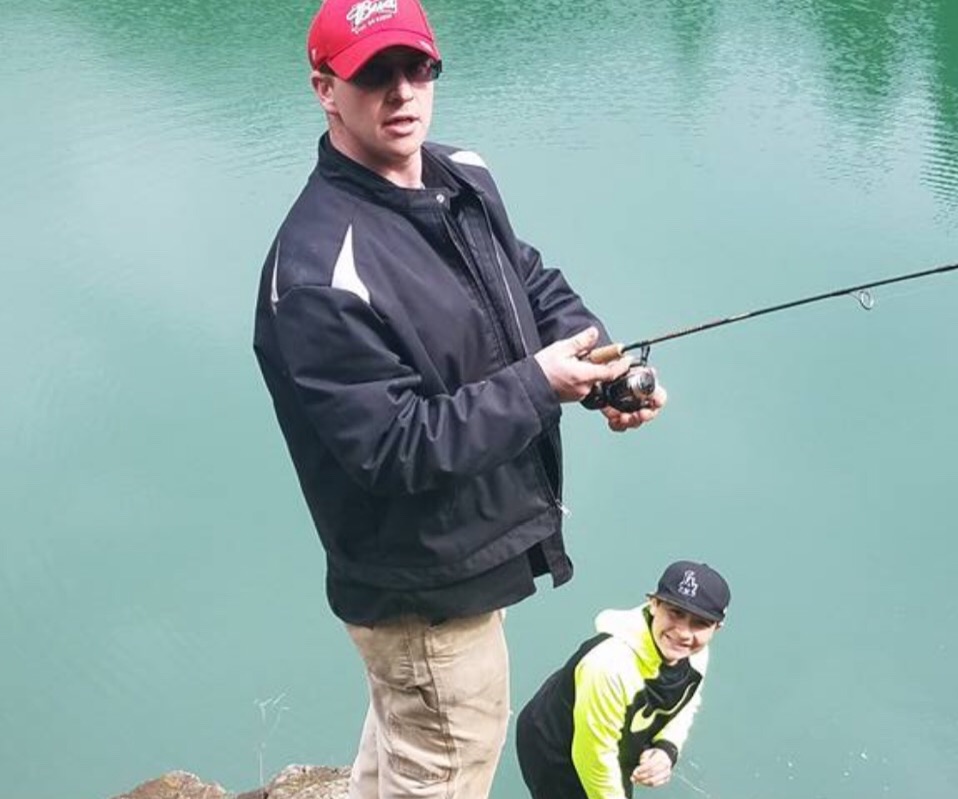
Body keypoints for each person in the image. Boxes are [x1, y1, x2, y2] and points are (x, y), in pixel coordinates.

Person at [251, 0, 668, 796]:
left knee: (405, 753)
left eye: (418, 68)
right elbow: (395, 446)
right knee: (443, 767)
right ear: (325, 88)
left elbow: (526, 280)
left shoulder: (460, 174)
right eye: (374, 74)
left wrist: (602, 368)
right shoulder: (317, 270)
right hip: (421, 592)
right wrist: (540, 383)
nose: (402, 91)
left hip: (462, 555)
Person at [515, 561, 730, 799]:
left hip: (612, 738)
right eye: (675, 613)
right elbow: (595, 758)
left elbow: (686, 700)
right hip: (556, 747)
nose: (684, 633)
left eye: (700, 623)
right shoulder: (609, 666)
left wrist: (667, 747)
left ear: (716, 628)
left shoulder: (694, 654)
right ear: (654, 604)